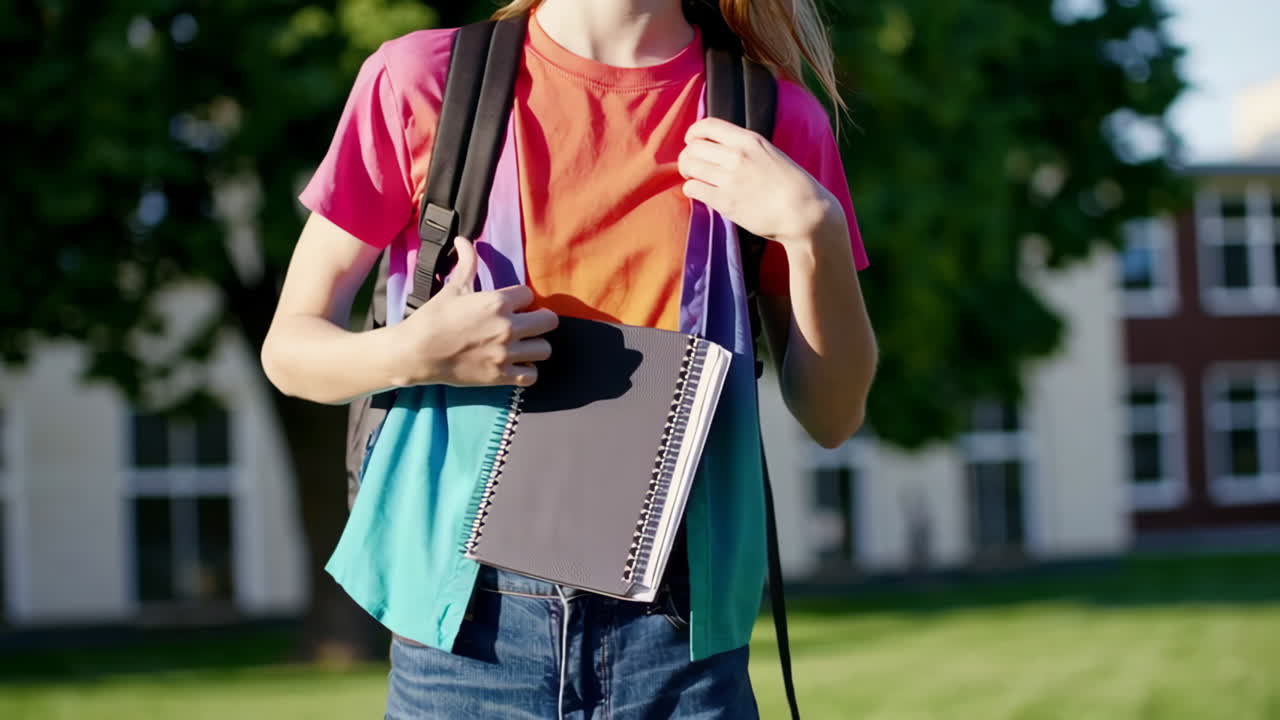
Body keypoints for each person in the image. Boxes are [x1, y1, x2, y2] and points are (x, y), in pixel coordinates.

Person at [261, 0, 877, 716]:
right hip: (463, 640)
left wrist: (816, 232)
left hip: (678, 648)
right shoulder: (421, 81)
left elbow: (833, 415)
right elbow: (290, 350)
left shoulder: (774, 121)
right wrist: (418, 351)